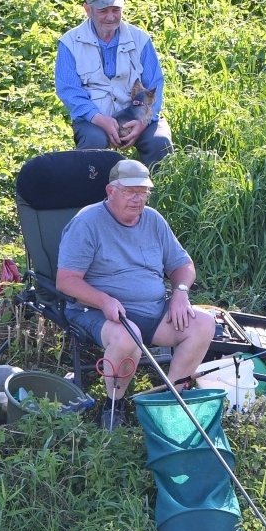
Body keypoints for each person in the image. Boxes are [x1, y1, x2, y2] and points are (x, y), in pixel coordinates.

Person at [56, 160, 213, 429]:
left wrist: (180, 293)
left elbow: (183, 265)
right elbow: (66, 281)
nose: (137, 199)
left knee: (204, 323)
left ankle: (172, 400)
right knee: (128, 337)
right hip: (97, 311)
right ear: (111, 191)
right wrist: (103, 300)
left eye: (143, 192)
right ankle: (113, 404)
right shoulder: (87, 223)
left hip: (153, 309)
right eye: (129, 191)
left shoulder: (153, 220)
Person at [55, 0, 173, 166]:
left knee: (160, 142)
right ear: (88, 10)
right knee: (93, 145)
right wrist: (98, 118)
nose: (111, 17)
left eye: (116, 10)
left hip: (138, 114)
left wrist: (144, 121)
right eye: (103, 11)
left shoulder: (140, 39)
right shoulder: (69, 43)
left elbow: (154, 84)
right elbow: (70, 91)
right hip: (94, 118)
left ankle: (158, 185)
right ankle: (94, 186)